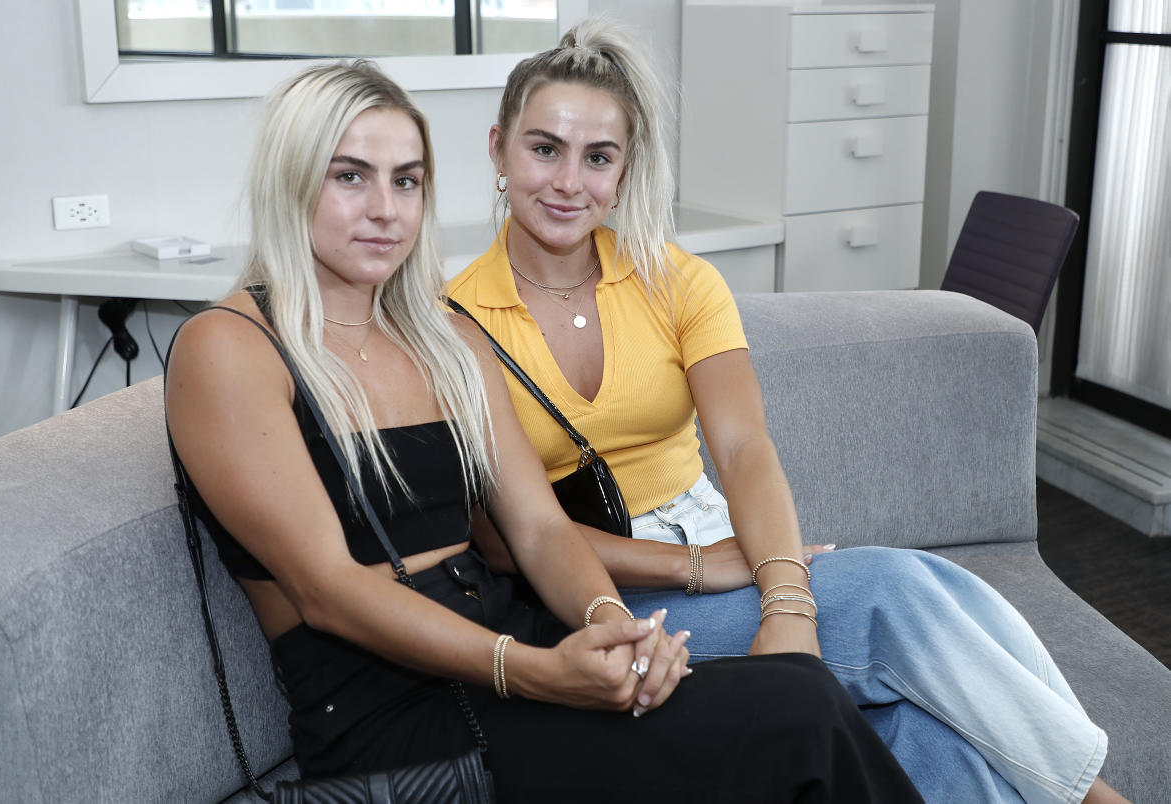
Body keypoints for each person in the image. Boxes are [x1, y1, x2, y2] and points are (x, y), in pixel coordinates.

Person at [164, 59, 922, 802]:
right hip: (398, 726)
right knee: (802, 716)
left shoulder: (444, 335)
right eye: (349, 175)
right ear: (290, 180)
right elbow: (326, 589)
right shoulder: (228, 347)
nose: (386, 210)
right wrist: (532, 671)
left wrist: (615, 630)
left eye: (407, 180)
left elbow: (536, 529)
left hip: (517, 655)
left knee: (794, 690)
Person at [446, 18, 1129, 804]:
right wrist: (700, 568)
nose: (570, 181)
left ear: (626, 169)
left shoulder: (677, 282)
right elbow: (508, 541)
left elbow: (742, 449)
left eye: (598, 157)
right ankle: (1097, 796)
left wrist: (786, 601)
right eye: (544, 149)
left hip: (715, 532)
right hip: (594, 589)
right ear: (499, 148)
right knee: (889, 592)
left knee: (912, 707)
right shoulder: (456, 320)